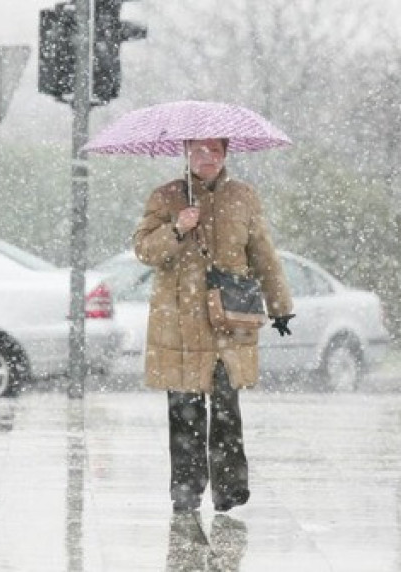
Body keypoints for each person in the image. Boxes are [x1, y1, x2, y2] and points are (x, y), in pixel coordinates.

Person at [133, 138, 294, 513]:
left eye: (216, 150)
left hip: (228, 319)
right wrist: (177, 227)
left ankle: (230, 492)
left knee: (226, 405)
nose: (208, 157)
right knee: (184, 409)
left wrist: (280, 306)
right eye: (200, 150)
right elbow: (144, 250)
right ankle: (186, 492)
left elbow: (263, 255)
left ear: (226, 154)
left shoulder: (243, 197)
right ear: (187, 152)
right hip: (179, 323)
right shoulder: (166, 196)